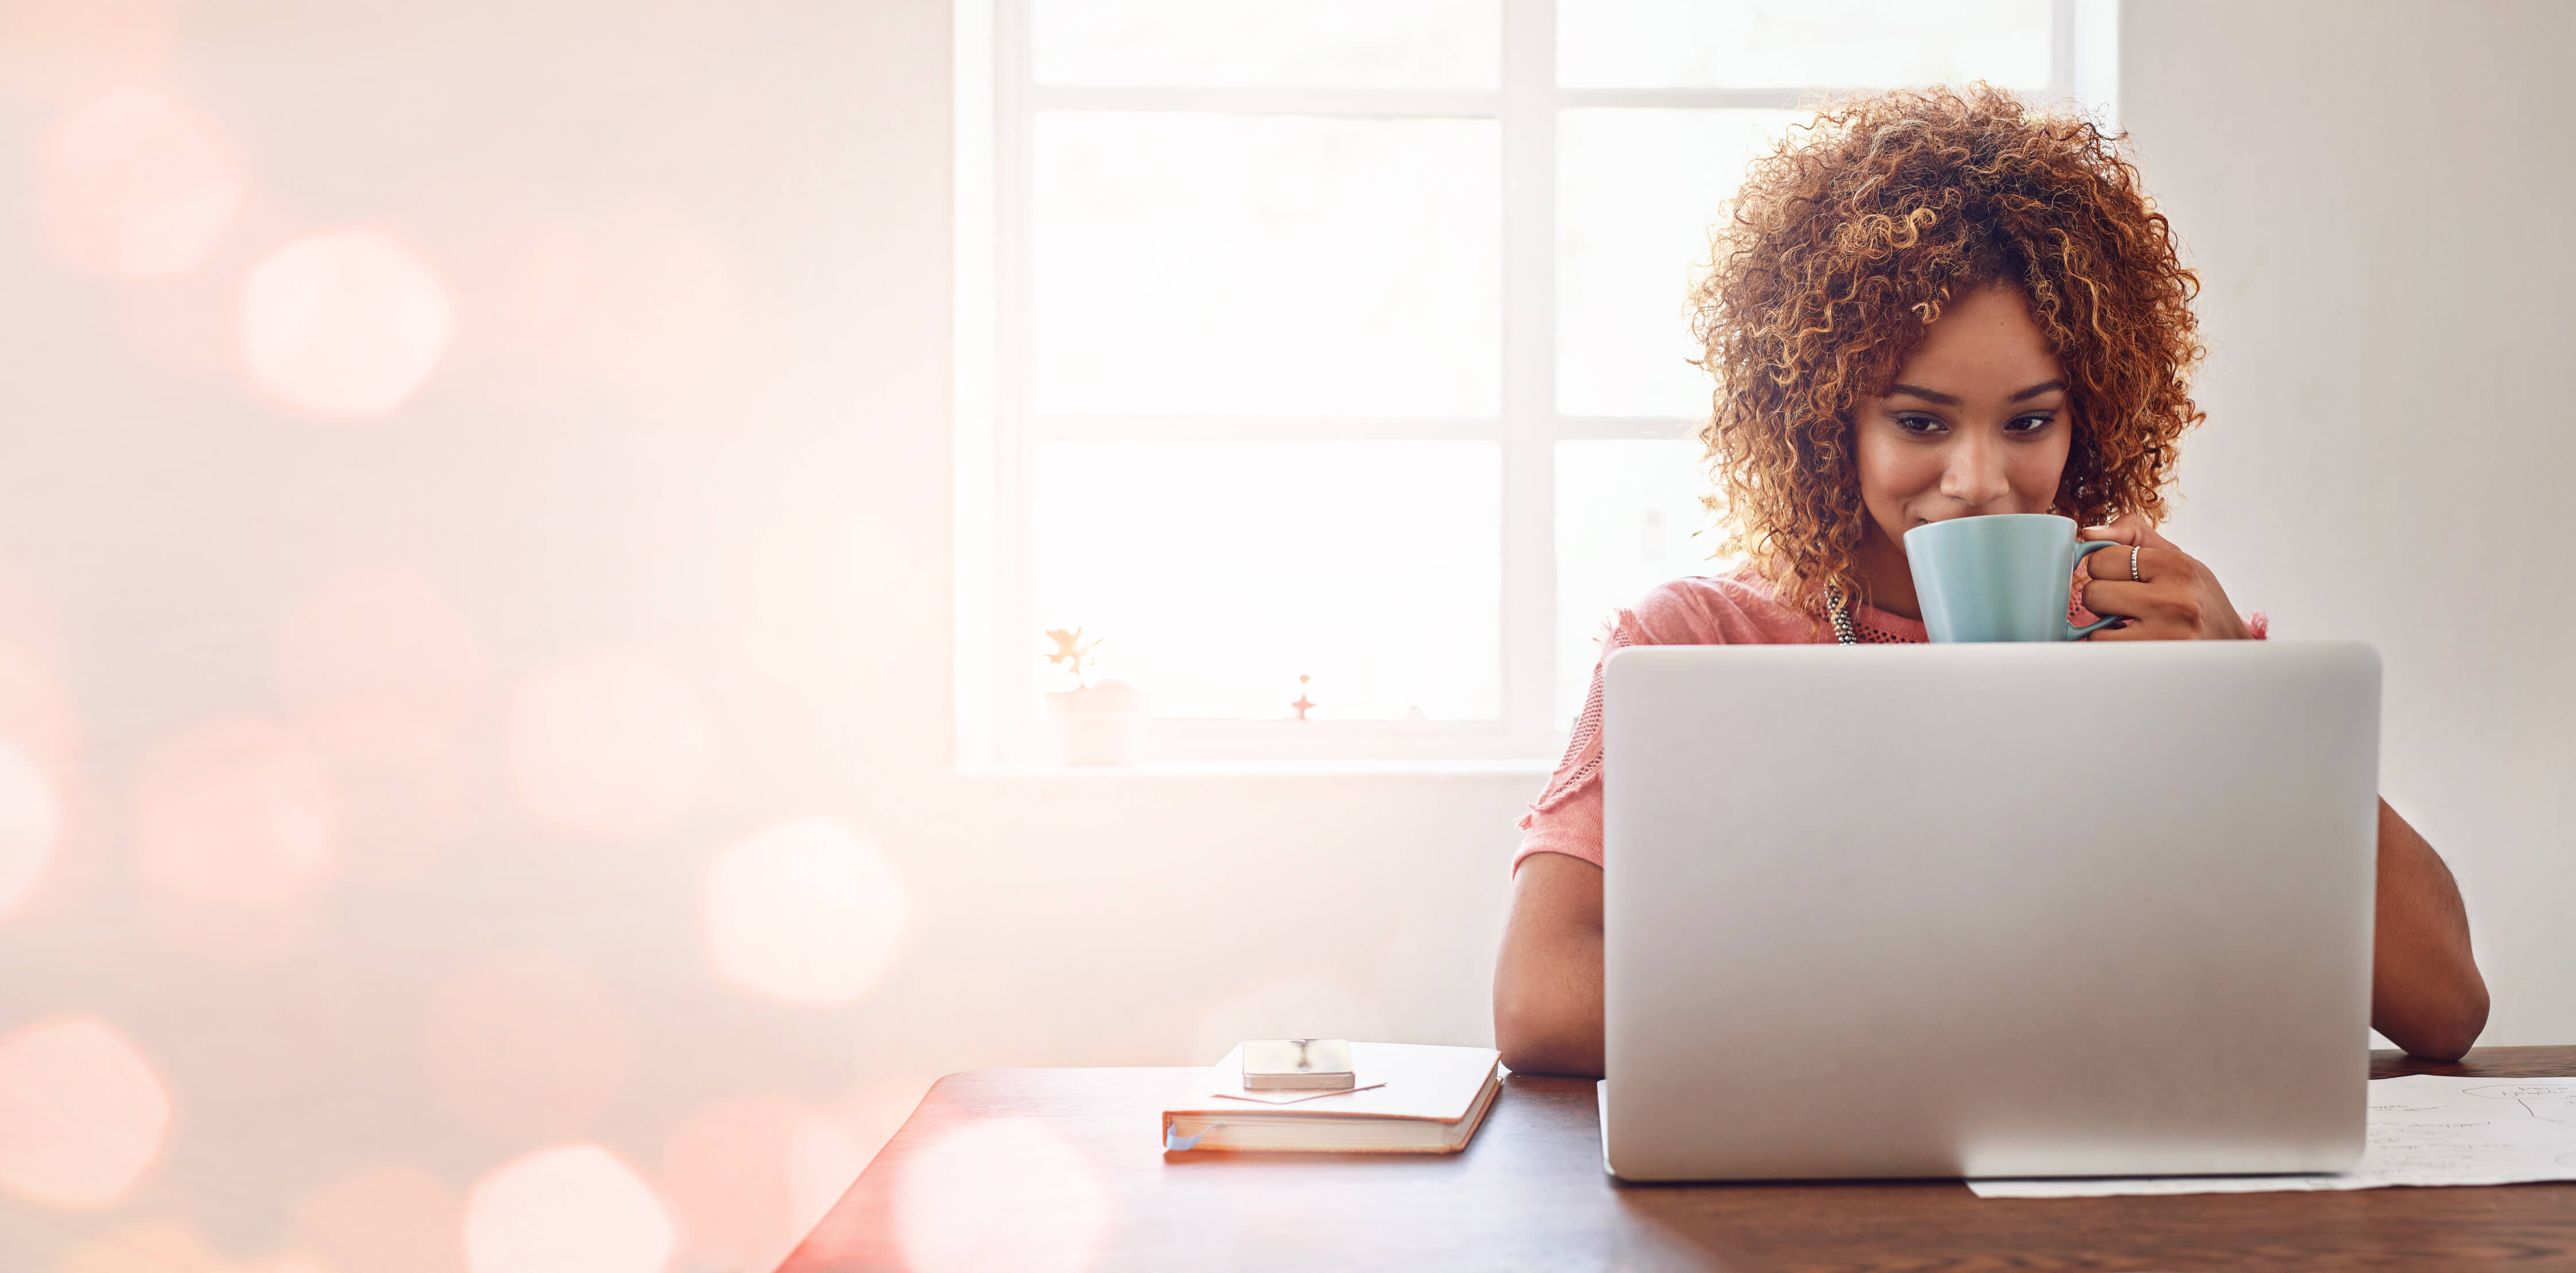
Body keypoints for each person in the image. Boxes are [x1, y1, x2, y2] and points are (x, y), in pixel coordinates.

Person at [1492, 85, 2488, 1077]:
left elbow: (2445, 1004)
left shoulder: (2156, 640)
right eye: (1920, 422)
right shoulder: (1695, 642)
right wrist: (1932, 1026)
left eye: (2029, 421)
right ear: (1828, 420)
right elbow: (1540, 998)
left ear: (2085, 419)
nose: (1980, 483)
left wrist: (2250, 699)